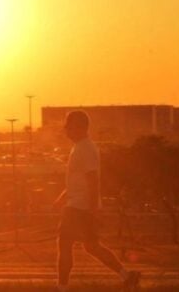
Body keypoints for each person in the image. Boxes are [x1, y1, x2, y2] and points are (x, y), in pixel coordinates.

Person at [53, 110, 140, 292]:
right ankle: (127, 276)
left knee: (64, 243)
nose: (66, 130)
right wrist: (62, 197)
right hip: (78, 205)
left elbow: (93, 180)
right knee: (91, 246)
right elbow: (77, 180)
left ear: (80, 127)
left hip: (79, 207)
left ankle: (62, 287)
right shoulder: (80, 147)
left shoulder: (85, 149)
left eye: (68, 126)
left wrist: (93, 210)